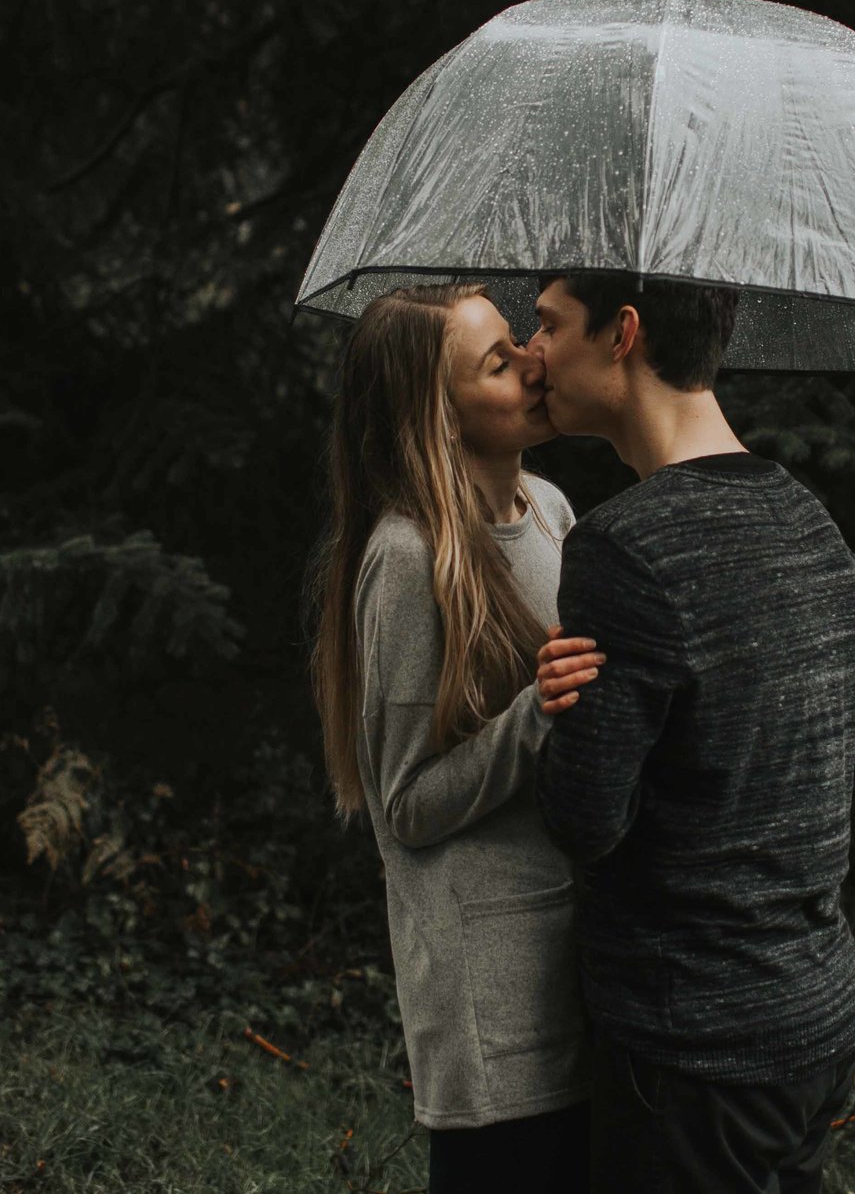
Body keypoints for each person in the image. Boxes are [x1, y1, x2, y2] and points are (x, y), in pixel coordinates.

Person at [523, 270, 855, 1194]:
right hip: (817, 1016)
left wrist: (557, 713)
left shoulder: (625, 547)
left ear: (622, 333)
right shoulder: (813, 524)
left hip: (691, 1049)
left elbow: (585, 820)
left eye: (550, 324)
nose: (533, 353)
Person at [304, 281, 608, 1193]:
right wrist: (535, 717)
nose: (531, 362)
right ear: (437, 417)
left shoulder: (552, 510)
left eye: (519, 341)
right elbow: (403, 806)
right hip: (489, 1000)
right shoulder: (406, 559)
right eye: (496, 361)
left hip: (578, 955)